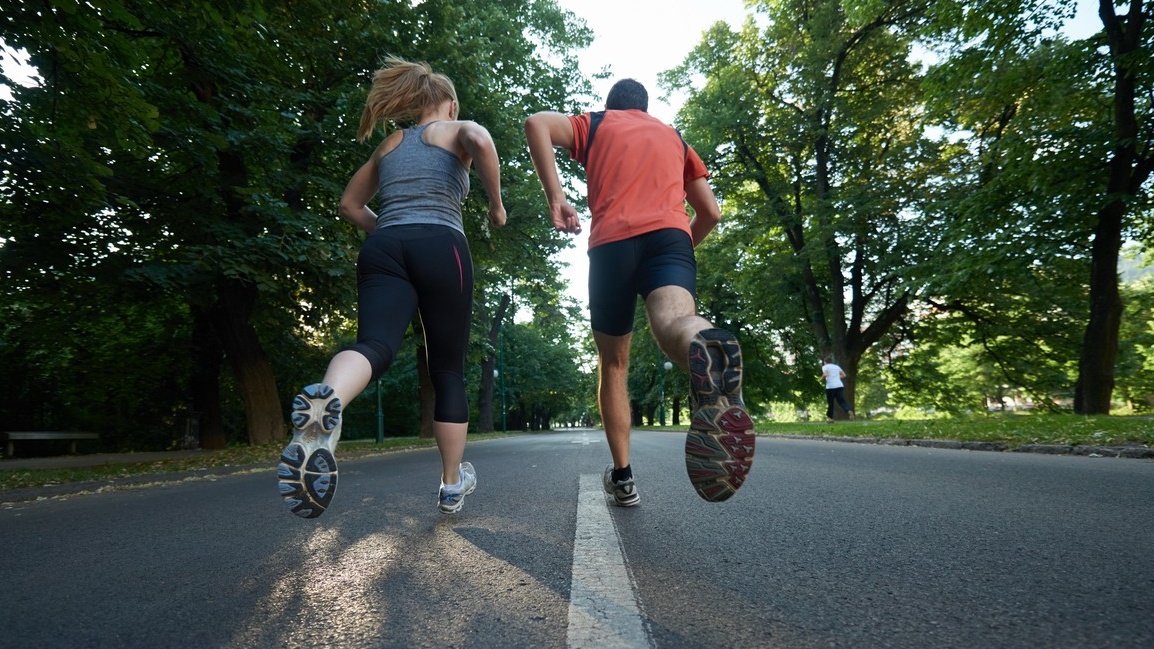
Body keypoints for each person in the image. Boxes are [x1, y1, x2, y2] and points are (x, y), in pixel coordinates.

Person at [278, 57, 506, 519]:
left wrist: (391, 230)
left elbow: (349, 205)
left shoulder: (390, 143)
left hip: (384, 247)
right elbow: (480, 140)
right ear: (450, 104)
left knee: (375, 345)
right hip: (442, 244)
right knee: (447, 370)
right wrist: (496, 207)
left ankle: (329, 403)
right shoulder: (455, 128)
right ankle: (450, 483)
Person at [524, 79, 754, 506]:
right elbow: (711, 212)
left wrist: (556, 197)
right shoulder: (674, 138)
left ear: (611, 105)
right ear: (646, 109)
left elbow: (536, 123)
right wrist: (679, 249)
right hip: (670, 239)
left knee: (613, 364)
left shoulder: (596, 124)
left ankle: (624, 477)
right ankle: (709, 345)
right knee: (675, 323)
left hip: (612, 244)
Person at [821, 357, 854, 423]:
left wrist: (821, 378)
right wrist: (836, 377)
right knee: (841, 401)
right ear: (831, 361)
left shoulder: (825, 367)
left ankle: (831, 419)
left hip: (830, 387)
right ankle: (849, 410)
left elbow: (826, 374)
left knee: (831, 403)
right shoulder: (837, 367)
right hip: (839, 386)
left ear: (825, 362)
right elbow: (844, 375)